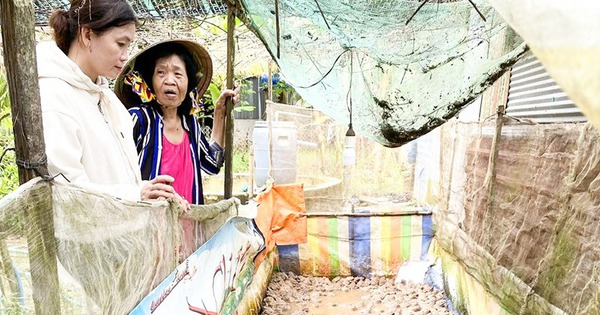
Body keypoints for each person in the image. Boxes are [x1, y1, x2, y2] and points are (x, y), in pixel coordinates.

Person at [38, 0, 181, 203]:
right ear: (87, 35)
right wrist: (135, 195)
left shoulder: (109, 100)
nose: (125, 57)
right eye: (120, 44)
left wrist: (149, 190)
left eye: (128, 46)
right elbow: (64, 191)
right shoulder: (54, 96)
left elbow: (118, 183)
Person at [114, 39, 240, 258]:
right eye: (161, 73)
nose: (169, 80)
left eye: (178, 74)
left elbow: (211, 164)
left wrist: (220, 113)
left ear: (188, 83)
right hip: (148, 233)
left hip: (188, 230)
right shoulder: (139, 119)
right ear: (150, 82)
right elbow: (117, 171)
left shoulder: (190, 124)